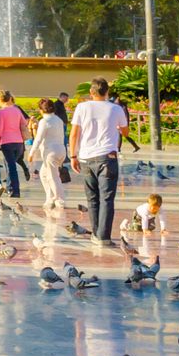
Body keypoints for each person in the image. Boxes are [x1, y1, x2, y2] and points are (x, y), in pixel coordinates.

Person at [71, 78, 129, 246]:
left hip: (86, 158)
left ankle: (96, 233)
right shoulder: (116, 109)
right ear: (107, 93)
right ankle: (103, 237)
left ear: (91, 92)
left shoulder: (82, 107)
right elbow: (125, 132)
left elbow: (74, 133)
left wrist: (73, 156)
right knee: (107, 198)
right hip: (108, 158)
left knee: (92, 198)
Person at [30, 98, 69, 210]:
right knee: (43, 174)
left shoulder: (44, 121)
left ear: (41, 110)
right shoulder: (58, 120)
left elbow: (38, 138)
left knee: (53, 177)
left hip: (50, 152)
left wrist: (32, 153)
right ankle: (50, 197)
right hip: (60, 150)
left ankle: (59, 199)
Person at [0, 92, 28, 197]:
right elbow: (24, 123)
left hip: (7, 142)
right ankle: (10, 187)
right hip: (18, 141)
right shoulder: (17, 110)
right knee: (11, 165)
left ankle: (15, 190)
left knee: (11, 167)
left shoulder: (1, 112)